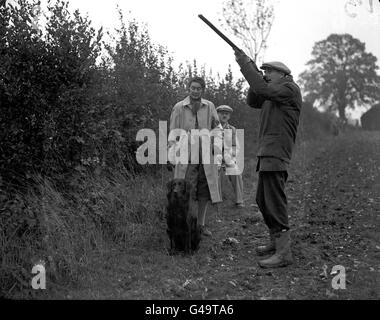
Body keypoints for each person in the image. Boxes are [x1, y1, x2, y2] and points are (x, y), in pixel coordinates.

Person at [235, 51, 302, 268]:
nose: (266, 74)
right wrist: (253, 74)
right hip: (267, 151)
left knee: (274, 199)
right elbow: (254, 98)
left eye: (269, 71)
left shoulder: (289, 89)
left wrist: (247, 66)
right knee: (262, 199)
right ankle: (276, 241)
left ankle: (284, 252)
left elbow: (262, 89)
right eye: (263, 71)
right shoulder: (273, 92)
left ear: (283, 74)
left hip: (277, 151)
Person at [168, 76, 222, 237]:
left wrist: (216, 147)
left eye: (199, 88)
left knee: (204, 191)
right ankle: (184, 224)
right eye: (193, 88)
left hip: (206, 154)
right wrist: (172, 153)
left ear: (202, 90)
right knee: (185, 190)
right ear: (188, 88)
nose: (195, 91)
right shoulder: (179, 107)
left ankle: (200, 225)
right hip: (186, 155)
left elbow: (217, 128)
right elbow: (173, 132)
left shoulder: (209, 106)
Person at [216, 105, 245, 208]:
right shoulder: (212, 128)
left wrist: (230, 157)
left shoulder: (232, 129)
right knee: (215, 173)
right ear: (217, 114)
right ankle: (216, 201)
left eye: (226, 114)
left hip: (228, 158)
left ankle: (239, 201)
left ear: (229, 116)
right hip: (214, 159)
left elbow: (236, 146)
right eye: (222, 113)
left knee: (236, 172)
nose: (224, 115)